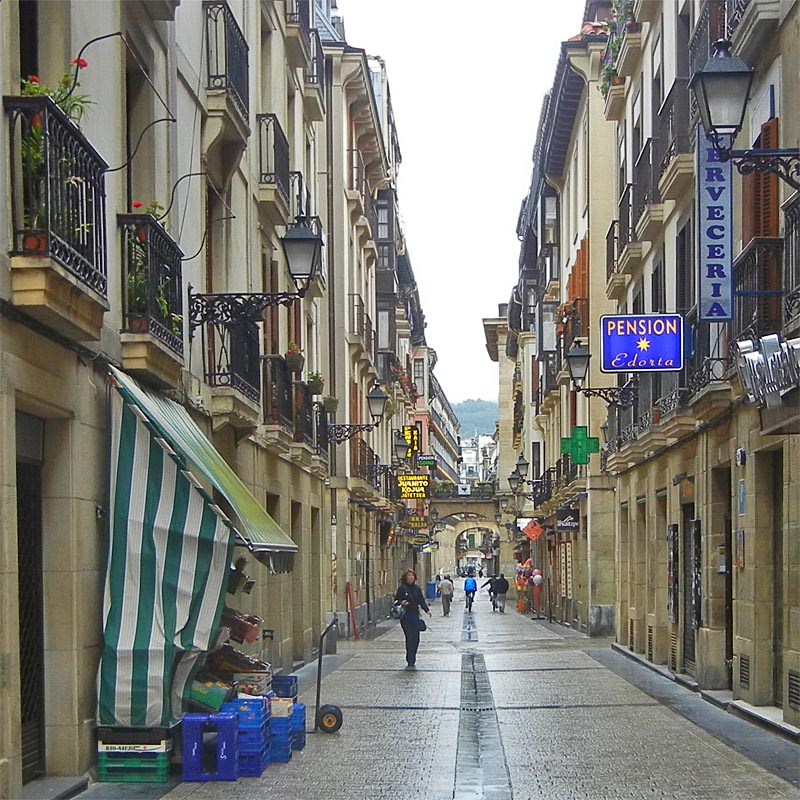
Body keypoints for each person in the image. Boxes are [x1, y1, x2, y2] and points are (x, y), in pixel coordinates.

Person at [395, 569, 431, 668]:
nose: (410, 577)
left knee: (416, 639)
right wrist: (401, 602)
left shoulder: (417, 589)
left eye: (412, 576)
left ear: (415, 577)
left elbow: (421, 600)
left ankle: (413, 655)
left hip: (415, 616)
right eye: (408, 576)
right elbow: (396, 600)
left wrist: (427, 610)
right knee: (409, 637)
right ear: (405, 578)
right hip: (405, 617)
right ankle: (410, 659)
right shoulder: (402, 589)